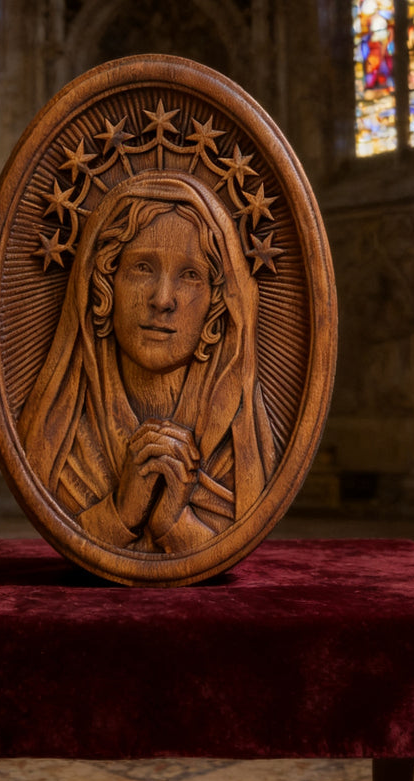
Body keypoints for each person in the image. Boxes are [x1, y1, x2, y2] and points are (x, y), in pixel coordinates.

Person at [19, 171, 277, 553]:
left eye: (190, 275)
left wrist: (176, 524)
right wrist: (119, 514)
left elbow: (232, 546)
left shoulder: (240, 449)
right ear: (105, 286)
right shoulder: (52, 440)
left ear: (215, 304)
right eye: (142, 268)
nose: (163, 299)